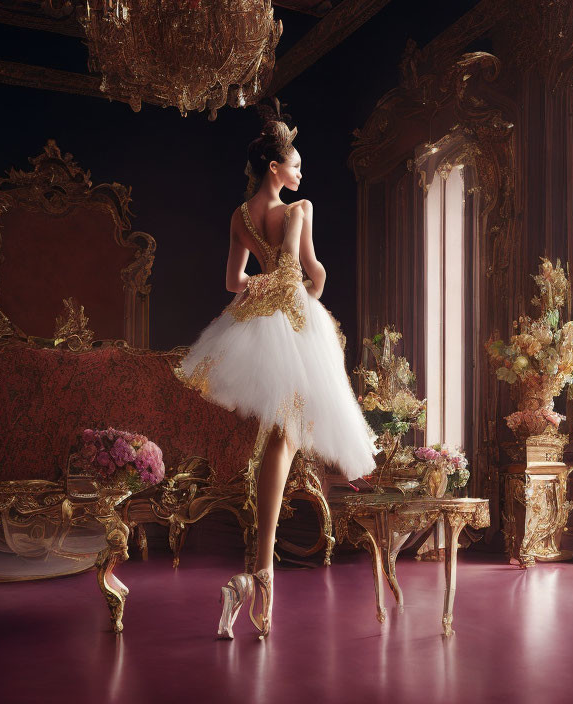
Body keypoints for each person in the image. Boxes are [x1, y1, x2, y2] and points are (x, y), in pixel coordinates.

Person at [175, 98, 378, 639]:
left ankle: (257, 574)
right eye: (296, 165)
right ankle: (260, 574)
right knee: (284, 438)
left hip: (258, 322)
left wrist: (262, 291)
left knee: (280, 437)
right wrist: (313, 285)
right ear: (275, 167)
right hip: (293, 323)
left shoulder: (240, 217)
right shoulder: (299, 209)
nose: (300, 173)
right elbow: (300, 270)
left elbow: (231, 282)